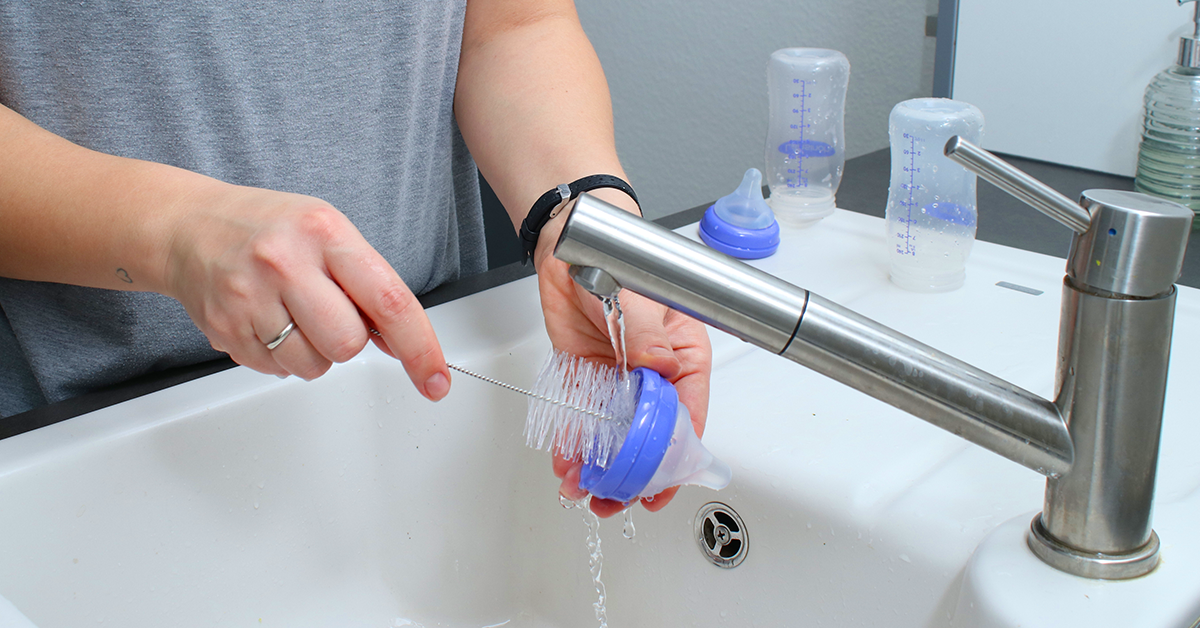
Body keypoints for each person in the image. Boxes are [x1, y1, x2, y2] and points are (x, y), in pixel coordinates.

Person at [0, 1, 711, 517]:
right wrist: (176, 231)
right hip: (70, 441)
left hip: (410, 404)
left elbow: (514, 28)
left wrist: (584, 219)